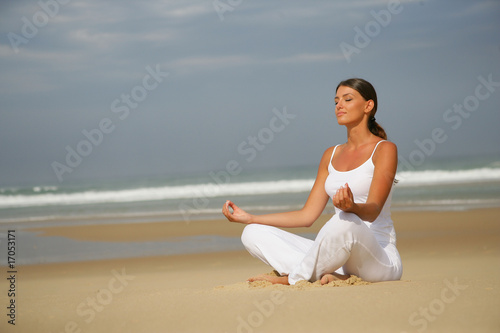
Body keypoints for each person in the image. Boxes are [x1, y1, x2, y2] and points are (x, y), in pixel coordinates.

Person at [222, 78, 402, 285]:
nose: (339, 106)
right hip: (337, 257)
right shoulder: (330, 154)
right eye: (336, 102)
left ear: (368, 106)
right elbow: (306, 216)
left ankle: (295, 278)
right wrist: (251, 218)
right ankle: (328, 274)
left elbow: (373, 209)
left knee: (345, 220)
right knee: (252, 233)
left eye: (347, 99)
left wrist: (352, 207)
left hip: (378, 259)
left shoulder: (385, 149)